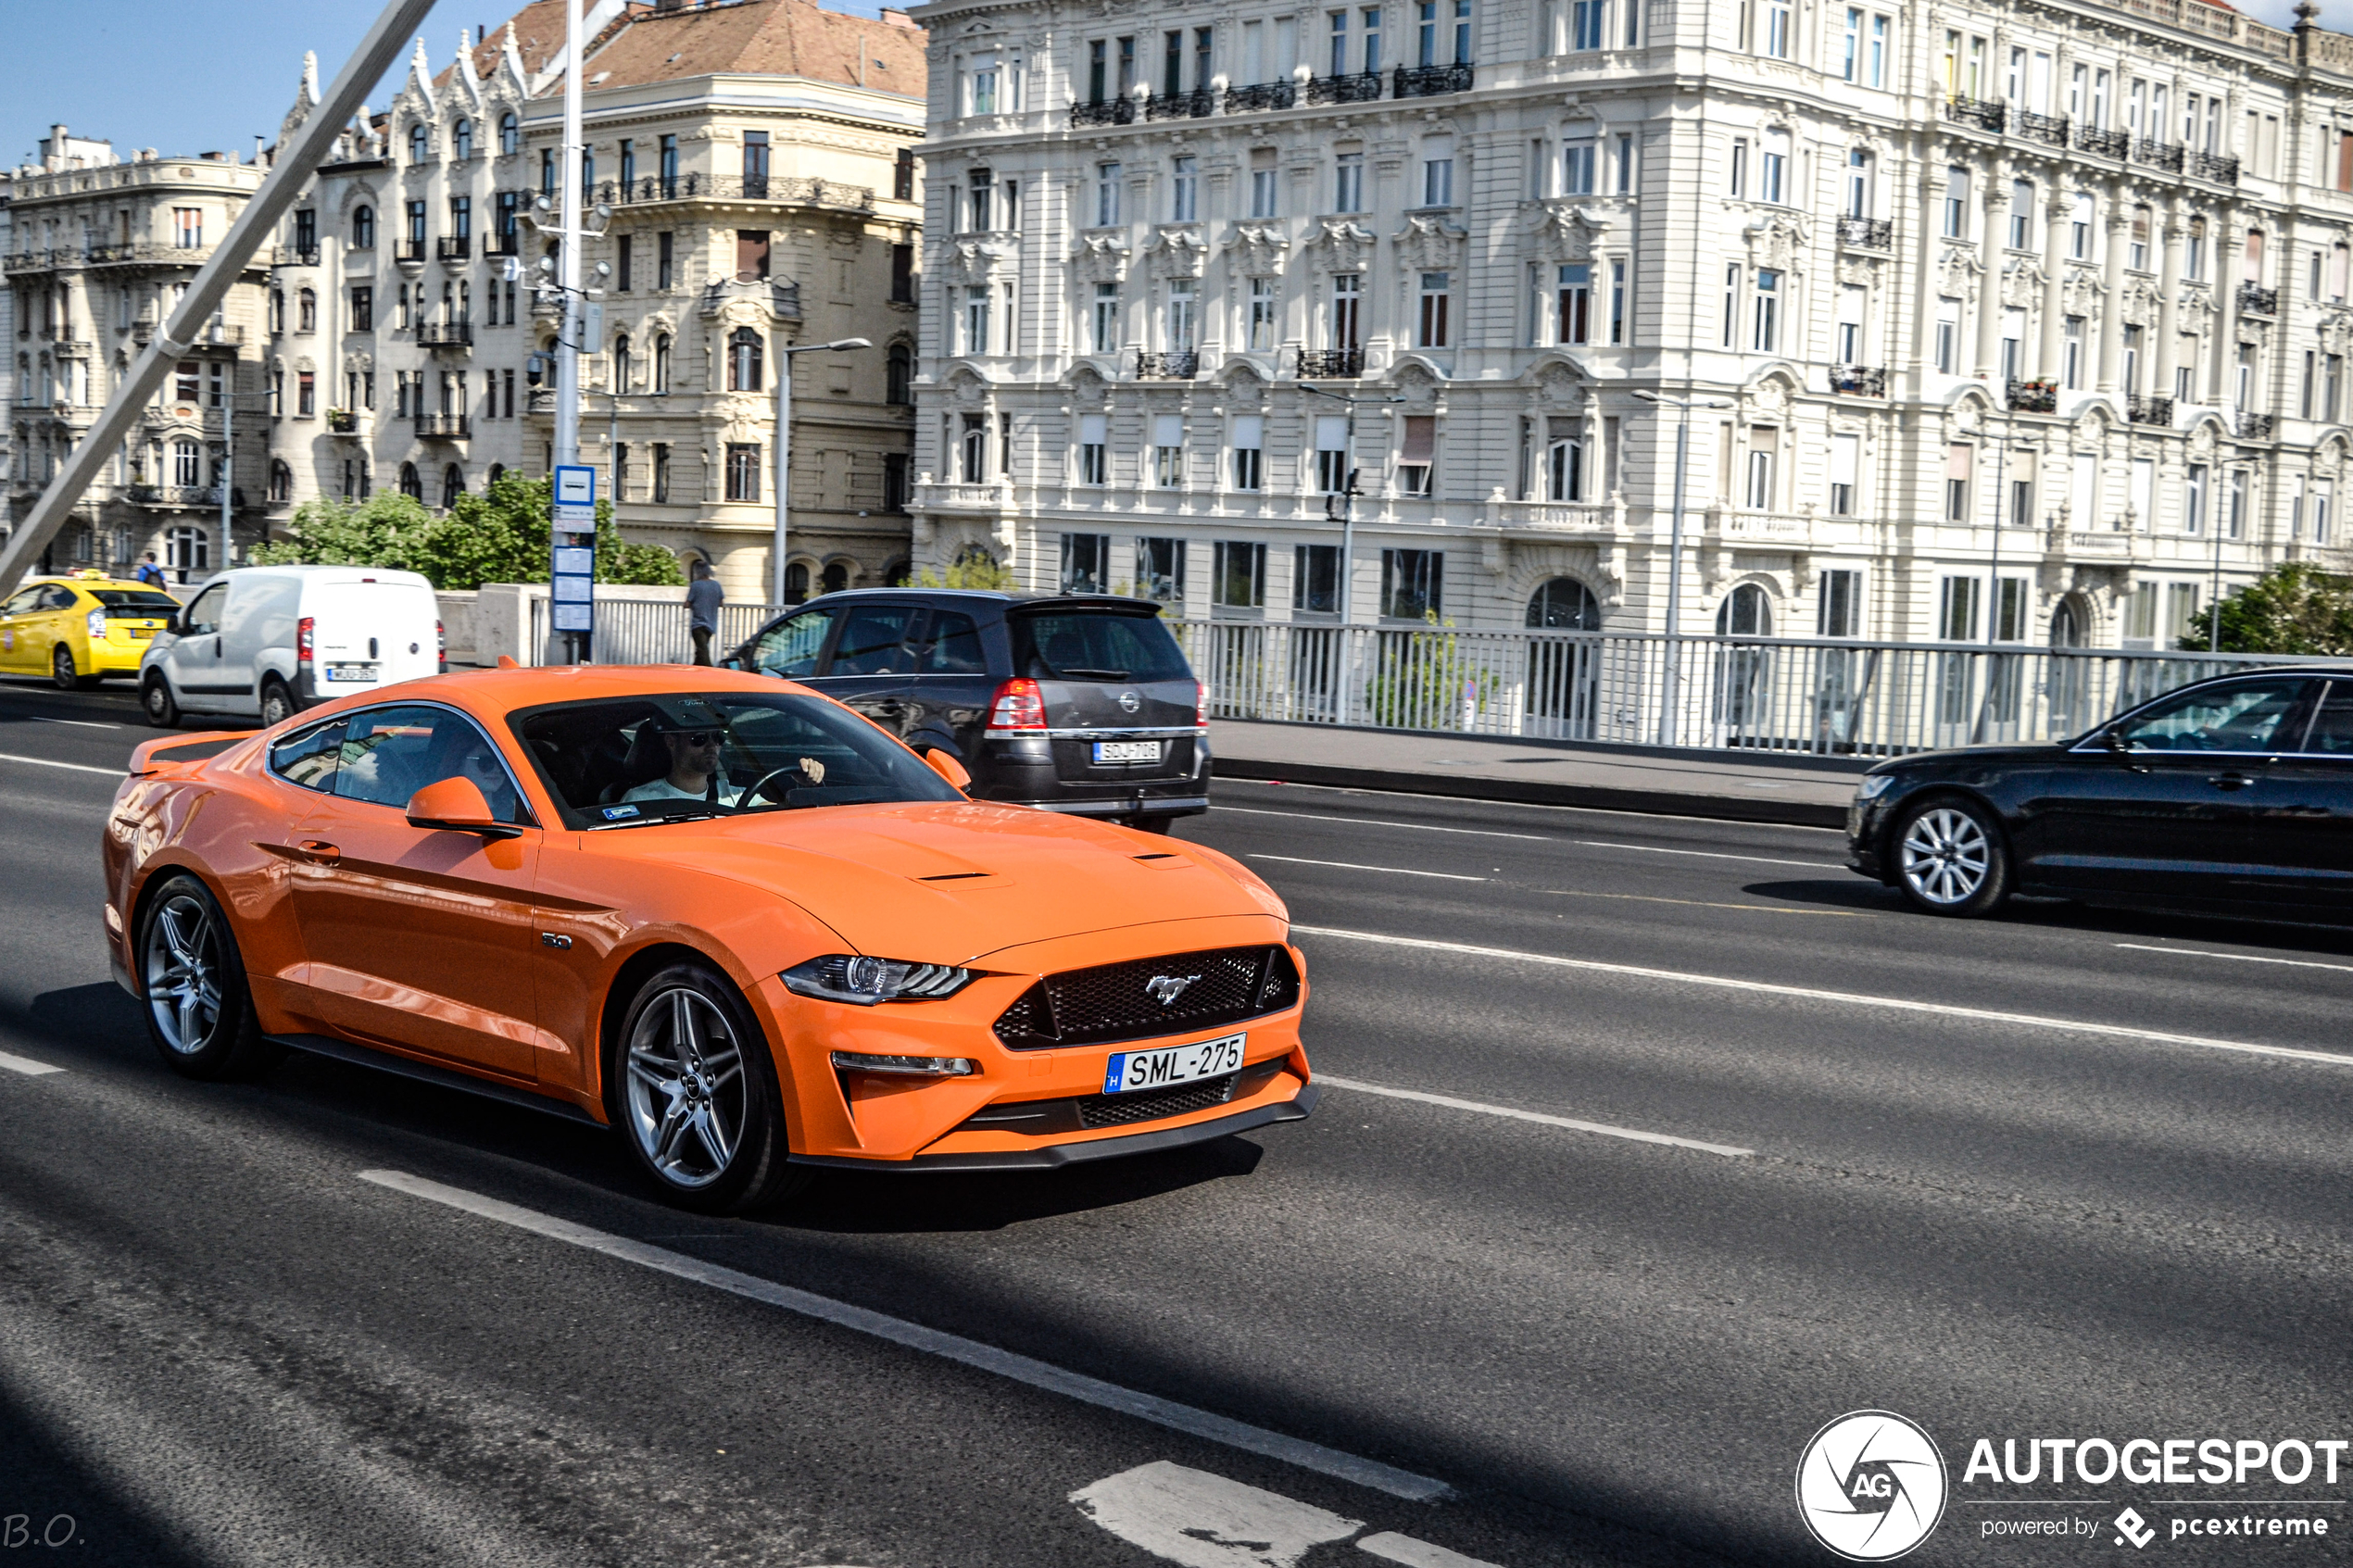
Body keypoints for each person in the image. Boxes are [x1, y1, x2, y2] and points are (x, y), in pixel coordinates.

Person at [622, 726, 825, 807]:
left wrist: (806, 786)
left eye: (718, 738)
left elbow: (783, 820)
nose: (712, 746)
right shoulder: (641, 799)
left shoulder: (736, 796)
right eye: (699, 739)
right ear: (671, 742)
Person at [686, 559, 724, 666]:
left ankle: (710, 670)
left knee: (702, 650)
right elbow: (721, 602)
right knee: (701, 650)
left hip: (698, 624)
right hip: (711, 624)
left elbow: (687, 603)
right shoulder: (716, 585)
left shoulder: (695, 585)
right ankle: (696, 671)